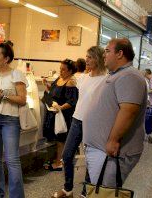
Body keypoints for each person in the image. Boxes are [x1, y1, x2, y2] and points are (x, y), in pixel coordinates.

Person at [82, 38, 147, 187]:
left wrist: (113, 140)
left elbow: (129, 111)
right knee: (102, 191)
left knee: (107, 192)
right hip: (102, 150)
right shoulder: (116, 74)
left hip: (112, 153)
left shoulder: (130, 76)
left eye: (107, 51)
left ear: (120, 54)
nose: (104, 55)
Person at [51, 46, 107, 198]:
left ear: (100, 59)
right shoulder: (82, 78)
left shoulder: (107, 80)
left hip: (94, 123)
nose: (87, 60)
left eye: (91, 57)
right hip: (77, 120)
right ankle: (68, 189)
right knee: (67, 156)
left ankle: (85, 193)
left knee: (90, 160)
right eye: (86, 57)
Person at [0, 41, 27, 198]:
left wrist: (4, 96)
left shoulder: (17, 74)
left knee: (12, 160)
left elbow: (22, 99)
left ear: (6, 58)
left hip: (10, 120)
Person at [43, 59, 78, 171]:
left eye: (63, 70)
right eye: (60, 69)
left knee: (61, 140)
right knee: (56, 138)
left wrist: (60, 108)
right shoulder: (59, 78)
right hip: (54, 113)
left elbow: (72, 101)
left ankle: (59, 162)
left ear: (70, 71)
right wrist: (47, 85)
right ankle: (57, 159)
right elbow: (54, 91)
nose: (61, 71)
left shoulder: (70, 82)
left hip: (63, 115)